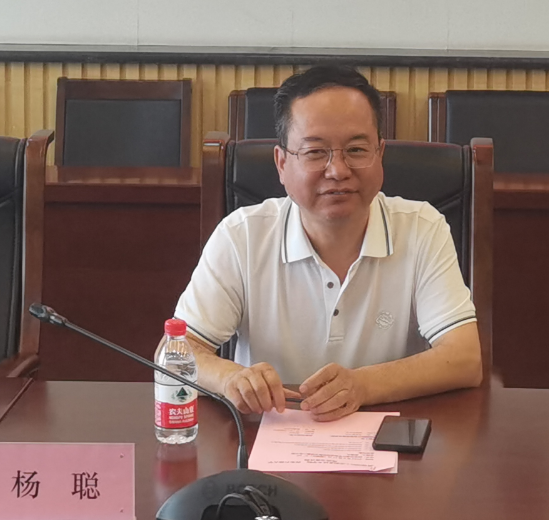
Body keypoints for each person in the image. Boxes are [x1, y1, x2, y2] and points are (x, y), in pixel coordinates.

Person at [174, 65, 482, 422]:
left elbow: (464, 358)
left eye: (356, 149)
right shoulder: (241, 236)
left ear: (380, 154)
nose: (338, 170)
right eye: (315, 152)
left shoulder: (422, 229)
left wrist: (362, 385)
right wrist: (229, 378)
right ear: (282, 163)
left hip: (390, 441)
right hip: (267, 438)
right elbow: (177, 352)